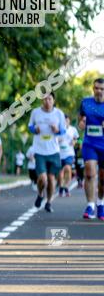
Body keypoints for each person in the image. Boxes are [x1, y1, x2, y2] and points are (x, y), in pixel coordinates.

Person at [28, 93, 66, 212]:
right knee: (42, 179)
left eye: (49, 99)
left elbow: (63, 131)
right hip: (39, 151)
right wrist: (35, 129)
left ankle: (49, 202)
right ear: (41, 100)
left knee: (51, 179)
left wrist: (57, 130)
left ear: (53, 100)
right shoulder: (35, 112)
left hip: (54, 151)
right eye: (44, 99)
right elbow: (30, 126)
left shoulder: (59, 114)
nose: (47, 101)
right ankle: (40, 194)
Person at [78, 78, 104, 220]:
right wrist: (81, 123)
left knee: (102, 178)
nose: (99, 91)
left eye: (102, 89)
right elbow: (80, 120)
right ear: (93, 89)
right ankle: (90, 205)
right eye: (96, 88)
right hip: (90, 144)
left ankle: (101, 204)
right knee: (89, 172)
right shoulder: (86, 103)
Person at [57, 115, 79, 197]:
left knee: (68, 169)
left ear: (69, 121)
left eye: (67, 120)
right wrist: (57, 140)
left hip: (69, 153)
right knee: (60, 173)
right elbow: (53, 139)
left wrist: (75, 141)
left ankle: (66, 187)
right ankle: (62, 188)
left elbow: (78, 139)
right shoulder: (58, 129)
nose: (65, 122)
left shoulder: (73, 129)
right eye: (64, 120)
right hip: (59, 153)